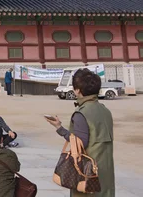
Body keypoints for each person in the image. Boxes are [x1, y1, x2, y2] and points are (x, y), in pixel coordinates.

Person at [45, 68, 115, 197]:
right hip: (105, 170)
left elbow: (79, 143)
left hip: (87, 172)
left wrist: (59, 128)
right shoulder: (105, 111)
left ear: (77, 90)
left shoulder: (81, 113)